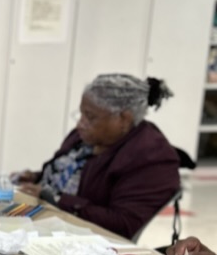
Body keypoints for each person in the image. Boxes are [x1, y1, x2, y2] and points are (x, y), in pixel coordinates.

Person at [15, 73, 179, 241]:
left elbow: (124, 224)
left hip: (86, 241)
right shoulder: (86, 137)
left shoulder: (151, 158)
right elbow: (71, 174)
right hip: (47, 218)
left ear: (124, 119)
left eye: (90, 117)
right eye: (81, 114)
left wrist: (55, 198)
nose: (80, 124)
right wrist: (36, 178)